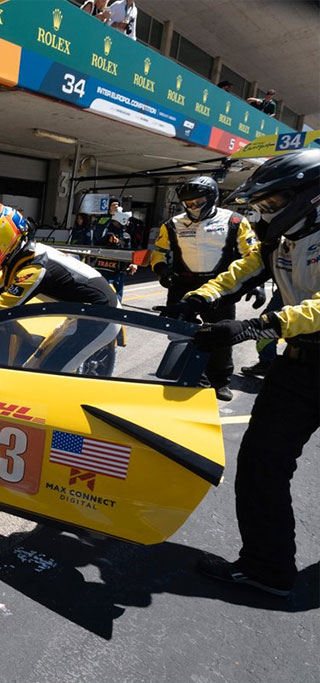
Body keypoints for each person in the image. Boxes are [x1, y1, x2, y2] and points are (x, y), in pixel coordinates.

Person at [172, 148, 319, 597]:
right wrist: (204, 295)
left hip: (299, 343)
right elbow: (244, 268)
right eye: (261, 206)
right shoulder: (279, 237)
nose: (263, 214)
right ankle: (268, 568)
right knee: (260, 465)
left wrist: (258, 325)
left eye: (271, 205)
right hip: (300, 365)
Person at [0, 204, 119, 370]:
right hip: (80, 310)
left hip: (101, 314)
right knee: (33, 367)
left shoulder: (33, 268)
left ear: (5, 237)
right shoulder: (20, 257)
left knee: (47, 374)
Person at [150, 176, 256, 401]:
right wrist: (162, 271)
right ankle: (193, 376)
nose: (193, 208)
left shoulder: (235, 221)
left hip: (220, 286)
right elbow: (159, 251)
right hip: (183, 285)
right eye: (188, 204)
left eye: (197, 202)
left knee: (221, 334)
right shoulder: (172, 224)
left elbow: (252, 255)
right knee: (180, 333)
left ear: (212, 198)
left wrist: (254, 284)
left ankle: (220, 381)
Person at [96, 210, 139, 300]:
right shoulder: (105, 233)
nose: (128, 223)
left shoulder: (126, 236)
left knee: (117, 300)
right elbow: (98, 236)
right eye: (127, 220)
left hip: (119, 273)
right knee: (101, 298)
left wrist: (132, 263)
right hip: (104, 271)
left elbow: (129, 252)